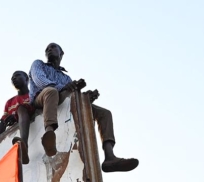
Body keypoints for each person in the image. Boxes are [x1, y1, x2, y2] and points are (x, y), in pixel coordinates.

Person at [29, 43, 138, 173]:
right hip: (42, 98)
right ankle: (49, 133)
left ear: (61, 53)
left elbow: (71, 96)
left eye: (53, 47)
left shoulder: (65, 77)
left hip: (62, 98)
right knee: (51, 91)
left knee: (104, 113)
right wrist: (63, 87)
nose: (49, 50)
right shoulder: (39, 64)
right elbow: (40, 81)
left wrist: (85, 97)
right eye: (47, 49)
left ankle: (109, 157)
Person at [0, 71, 34, 164]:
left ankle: (24, 145)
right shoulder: (9, 102)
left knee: (21, 108)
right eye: (12, 78)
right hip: (13, 132)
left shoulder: (33, 94)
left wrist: (15, 116)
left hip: (30, 123)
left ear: (26, 79)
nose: (13, 78)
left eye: (17, 75)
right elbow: (3, 121)